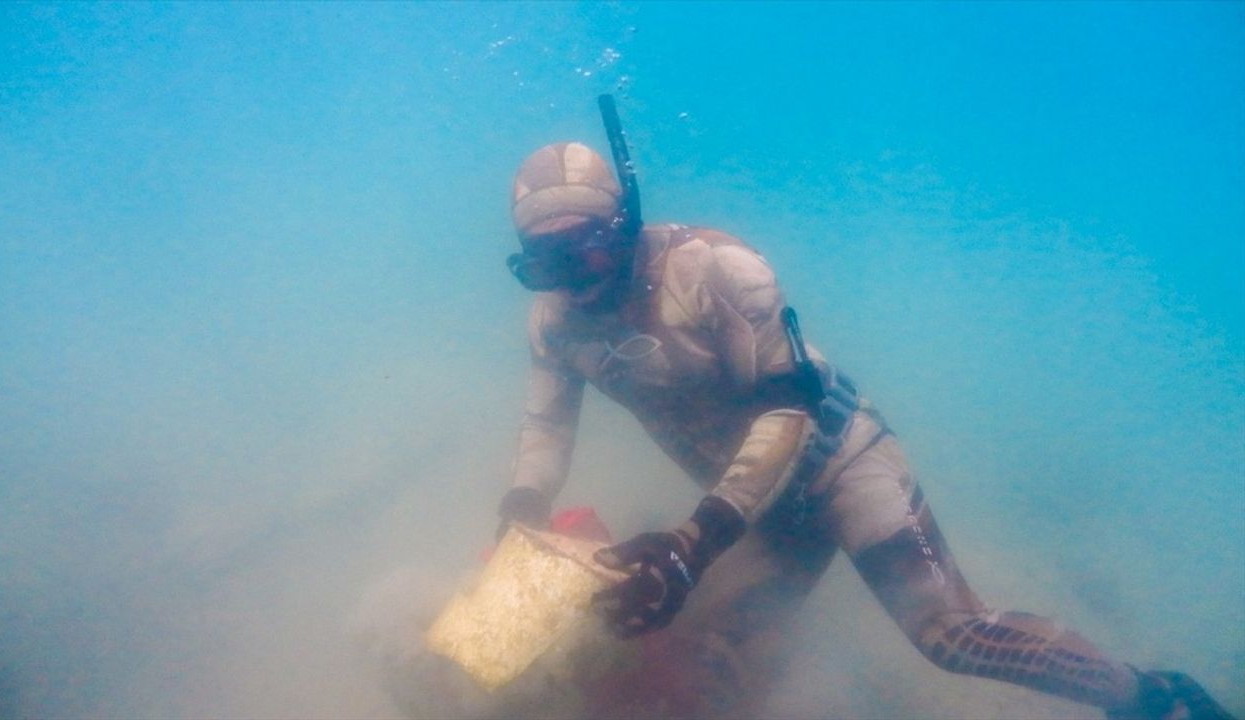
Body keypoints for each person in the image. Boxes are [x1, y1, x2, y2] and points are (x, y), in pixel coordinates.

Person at [495, 141, 1236, 720]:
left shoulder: (719, 268)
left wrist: (693, 544)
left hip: (839, 461)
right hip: (753, 503)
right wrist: (520, 514)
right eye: (544, 262)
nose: (573, 277)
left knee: (952, 636)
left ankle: (1151, 695)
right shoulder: (554, 322)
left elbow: (788, 413)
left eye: (586, 247)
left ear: (625, 222)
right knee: (704, 653)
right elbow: (545, 428)